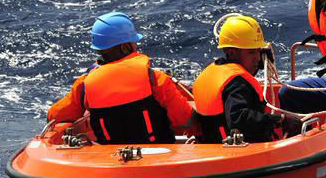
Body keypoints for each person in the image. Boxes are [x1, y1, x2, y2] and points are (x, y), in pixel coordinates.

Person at [47, 12, 195, 144]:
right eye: (134, 42)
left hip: (110, 163)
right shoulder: (155, 79)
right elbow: (186, 120)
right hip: (159, 159)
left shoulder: (84, 85)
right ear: (125, 47)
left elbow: (55, 116)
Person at [192, 15, 298, 143]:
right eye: (251, 52)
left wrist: (259, 65)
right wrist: (279, 119)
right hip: (238, 154)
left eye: (259, 51)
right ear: (231, 52)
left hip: (213, 146)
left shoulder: (217, 71)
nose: (258, 58)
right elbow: (238, 118)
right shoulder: (236, 84)